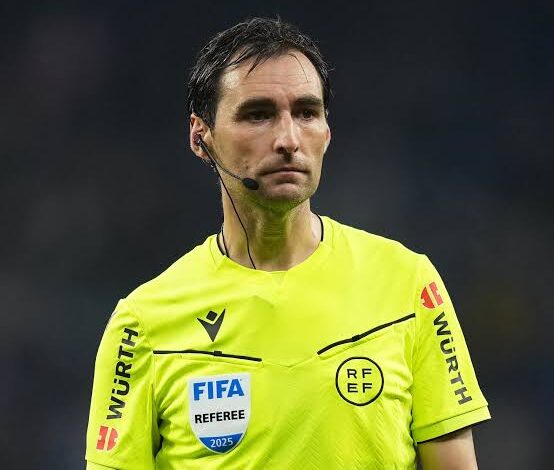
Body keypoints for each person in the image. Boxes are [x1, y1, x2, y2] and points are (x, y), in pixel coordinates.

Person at [85, 17, 490, 469]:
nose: (288, 140)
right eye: (258, 114)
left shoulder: (408, 284)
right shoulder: (142, 324)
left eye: (306, 113)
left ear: (327, 132)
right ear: (201, 138)